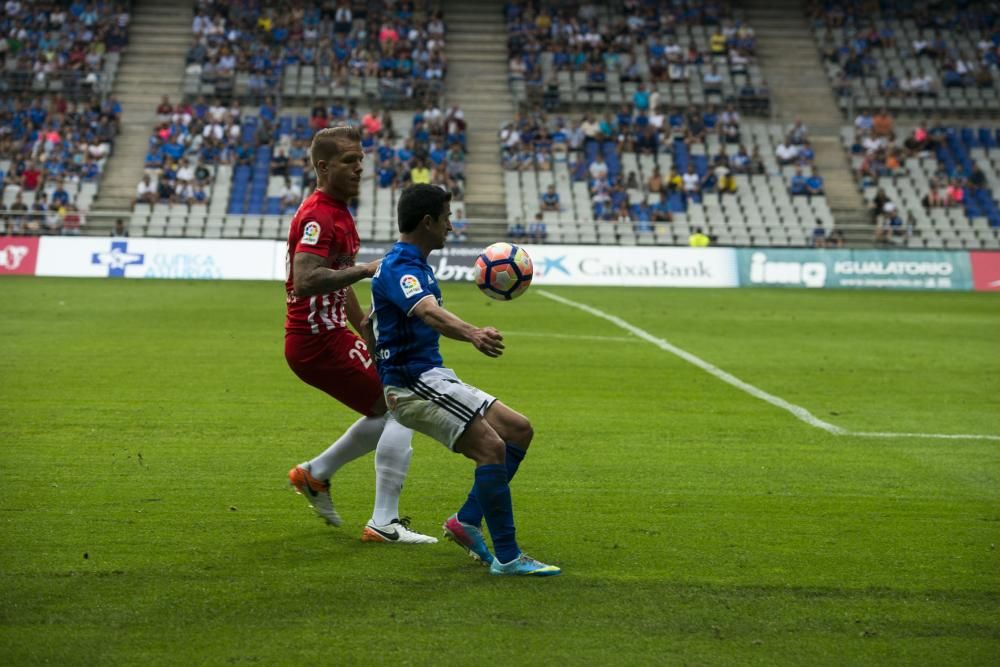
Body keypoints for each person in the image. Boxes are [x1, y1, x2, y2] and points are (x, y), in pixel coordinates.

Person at [368, 184, 560, 577]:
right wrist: (473, 333)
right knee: (491, 448)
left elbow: (377, 319)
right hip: (414, 384)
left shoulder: (411, 264)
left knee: (518, 430)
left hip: (430, 375)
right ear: (427, 222)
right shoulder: (401, 266)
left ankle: (466, 520)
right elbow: (428, 312)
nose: (451, 227)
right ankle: (507, 557)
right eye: (447, 217)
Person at [284, 125, 436, 544]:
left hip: (332, 334)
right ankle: (383, 522)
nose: (359, 169)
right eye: (349, 162)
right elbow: (307, 280)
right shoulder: (318, 215)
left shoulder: (339, 212)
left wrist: (365, 327)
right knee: (403, 404)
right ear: (323, 166)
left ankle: (315, 475)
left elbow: (337, 281)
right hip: (317, 340)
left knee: (389, 408)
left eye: (361, 161)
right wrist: (367, 268)